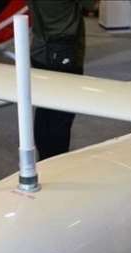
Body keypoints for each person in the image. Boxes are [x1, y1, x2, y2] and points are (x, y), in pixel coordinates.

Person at [28, 0, 95, 161]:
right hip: (63, 53)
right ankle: (56, 161)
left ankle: (45, 159)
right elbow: (92, 4)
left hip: (39, 50)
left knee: (45, 109)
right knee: (61, 114)